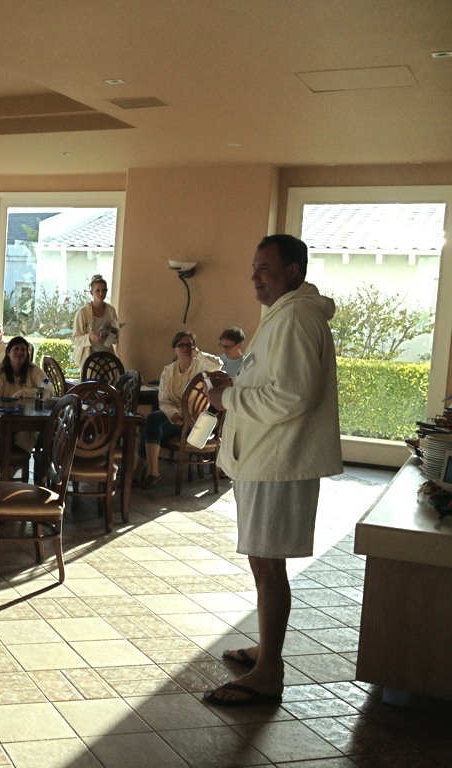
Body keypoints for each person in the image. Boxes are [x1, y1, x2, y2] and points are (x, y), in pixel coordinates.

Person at [204, 234, 341, 707]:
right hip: (265, 459)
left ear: (293, 271)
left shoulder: (299, 319)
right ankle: (268, 649)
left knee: (268, 564)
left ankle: (269, 671)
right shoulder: (282, 315)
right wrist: (237, 381)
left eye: (265, 267)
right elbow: (274, 382)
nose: (254, 275)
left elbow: (294, 396)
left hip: (280, 463)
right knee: (263, 561)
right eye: (254, 266)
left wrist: (229, 397)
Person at [133, 330, 222, 489]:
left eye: (190, 344)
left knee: (151, 422)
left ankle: (146, 472)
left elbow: (217, 364)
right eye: (182, 345)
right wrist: (173, 415)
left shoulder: (201, 366)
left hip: (197, 423)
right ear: (174, 349)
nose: (187, 348)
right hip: (177, 421)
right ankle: (147, 473)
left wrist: (198, 353)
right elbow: (164, 400)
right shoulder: (169, 371)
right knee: (150, 423)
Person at [0, 335, 45, 450]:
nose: (20, 353)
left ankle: (15, 466)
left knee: (29, 434)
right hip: (1, 419)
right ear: (8, 352)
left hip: (27, 421)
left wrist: (25, 393)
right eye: (16, 349)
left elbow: (48, 390)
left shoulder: (34, 370)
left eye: (23, 350)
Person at [71, 274, 119, 369]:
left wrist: (112, 333)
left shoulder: (111, 311)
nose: (101, 293)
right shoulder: (83, 312)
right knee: (91, 384)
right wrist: (89, 337)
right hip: (89, 360)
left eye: (104, 290)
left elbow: (116, 338)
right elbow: (75, 339)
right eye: (97, 290)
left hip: (107, 359)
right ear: (91, 292)